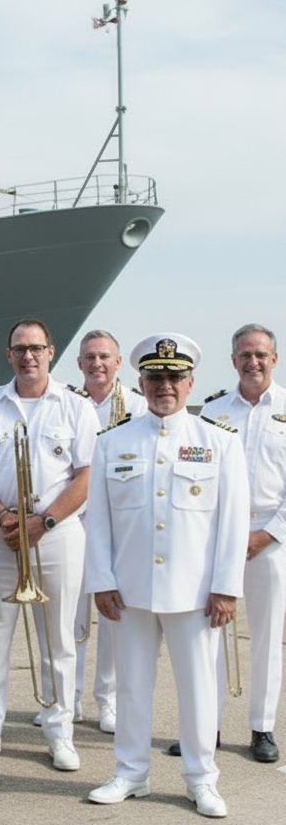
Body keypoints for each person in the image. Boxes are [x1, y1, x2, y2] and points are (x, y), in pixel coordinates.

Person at [85, 333, 248, 818]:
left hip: (196, 592)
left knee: (199, 687)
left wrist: (225, 587)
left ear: (190, 381)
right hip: (130, 588)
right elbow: (100, 521)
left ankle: (201, 778)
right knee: (132, 684)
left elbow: (233, 521)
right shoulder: (113, 442)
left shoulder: (217, 442)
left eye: (174, 377)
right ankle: (130, 773)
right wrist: (101, 579)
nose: (165, 386)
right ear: (141, 381)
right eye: (155, 377)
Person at [0, 318, 97, 771]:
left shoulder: (76, 407)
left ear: (50, 351)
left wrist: (44, 520)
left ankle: (60, 732)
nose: (28, 356)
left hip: (57, 534)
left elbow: (86, 475)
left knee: (60, 638)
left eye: (36, 348)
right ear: (8, 355)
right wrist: (1, 517)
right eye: (19, 349)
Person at [199, 323, 285, 764]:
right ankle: (205, 727)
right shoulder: (213, 412)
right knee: (210, 633)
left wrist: (265, 535)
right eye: (245, 355)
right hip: (218, 539)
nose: (253, 362)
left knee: (267, 638)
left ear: (274, 358)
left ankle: (261, 728)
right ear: (233, 360)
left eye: (261, 355)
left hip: (272, 538)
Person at [72, 329, 149, 734]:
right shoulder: (68, 404)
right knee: (71, 616)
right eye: (89, 357)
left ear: (119, 363)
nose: (97, 363)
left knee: (112, 615)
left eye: (104, 357)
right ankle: (69, 697)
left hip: (120, 526)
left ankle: (108, 699)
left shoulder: (138, 406)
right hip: (74, 520)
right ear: (79, 363)